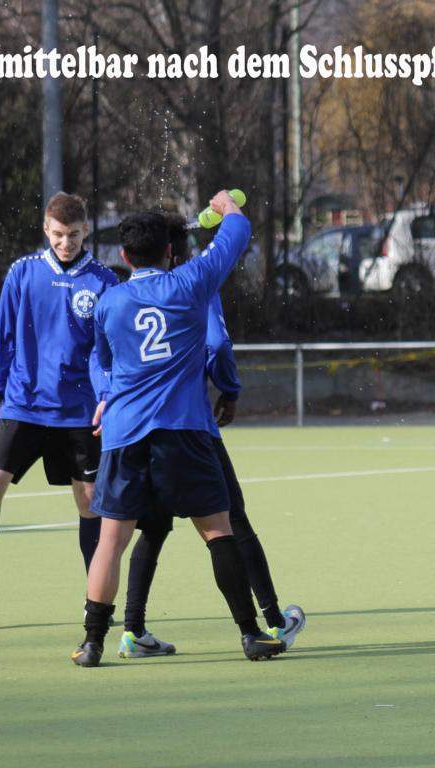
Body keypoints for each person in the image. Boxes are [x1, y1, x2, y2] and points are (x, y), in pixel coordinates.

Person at [72, 195, 283, 667]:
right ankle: (251, 635)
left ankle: (93, 643)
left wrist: (106, 396)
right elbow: (237, 234)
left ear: (125, 256)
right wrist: (227, 207)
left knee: (111, 542)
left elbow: (101, 363)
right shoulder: (190, 282)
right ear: (170, 252)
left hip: (124, 435)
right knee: (218, 532)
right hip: (182, 430)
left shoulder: (109, 302)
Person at [117, 213, 305, 659]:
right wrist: (229, 389)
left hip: (136, 428)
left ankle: (132, 628)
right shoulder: (193, 285)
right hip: (190, 424)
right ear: (174, 253)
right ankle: (271, 621)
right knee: (230, 520)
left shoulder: (122, 297)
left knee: (152, 528)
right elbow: (217, 344)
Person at [0, 192, 118, 615]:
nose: (65, 242)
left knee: (88, 500)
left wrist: (107, 395)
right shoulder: (22, 272)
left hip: (78, 410)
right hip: (24, 403)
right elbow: (5, 339)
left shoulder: (104, 281)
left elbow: (108, 351)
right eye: (57, 234)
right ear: (45, 229)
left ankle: (93, 596)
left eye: (73, 234)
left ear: (86, 230)